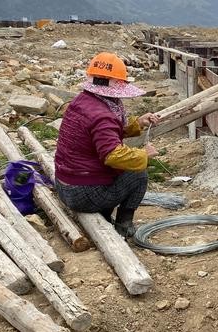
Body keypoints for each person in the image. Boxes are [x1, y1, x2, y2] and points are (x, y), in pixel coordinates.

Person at [54, 52, 159, 238]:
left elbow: (105, 132)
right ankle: (123, 225)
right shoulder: (103, 115)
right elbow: (113, 155)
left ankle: (104, 212)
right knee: (138, 173)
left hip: (64, 185)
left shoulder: (82, 101)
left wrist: (138, 123)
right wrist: (143, 154)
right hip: (82, 193)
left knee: (121, 169)